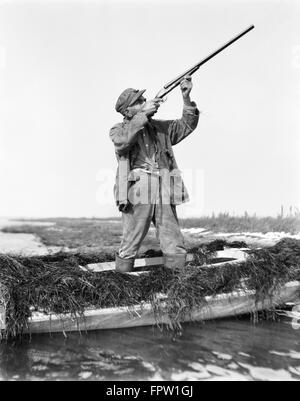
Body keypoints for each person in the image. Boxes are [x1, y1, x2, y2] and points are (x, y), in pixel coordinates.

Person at [109, 76, 200, 272]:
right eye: (139, 102)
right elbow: (122, 142)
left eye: (143, 100)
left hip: (164, 184)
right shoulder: (118, 129)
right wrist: (142, 116)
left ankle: (176, 283)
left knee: (173, 239)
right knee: (131, 240)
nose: (144, 102)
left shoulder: (159, 127)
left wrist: (186, 97)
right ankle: (122, 280)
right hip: (138, 187)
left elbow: (186, 125)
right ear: (127, 111)